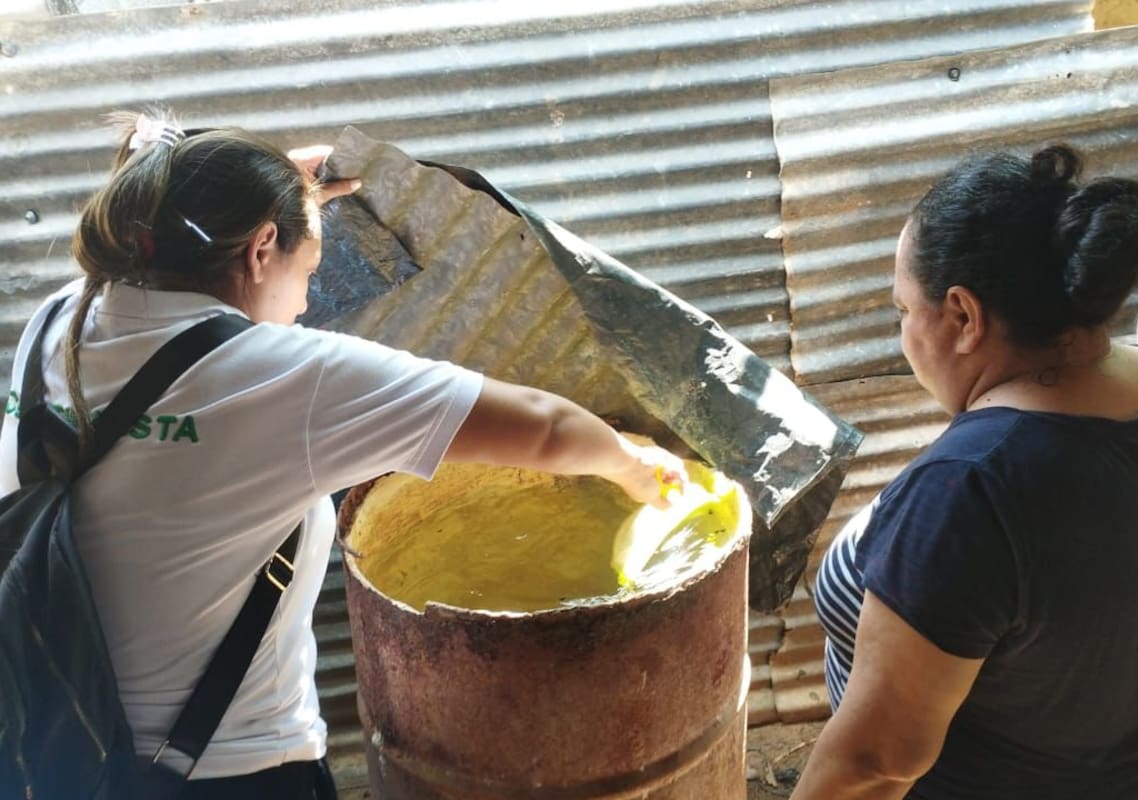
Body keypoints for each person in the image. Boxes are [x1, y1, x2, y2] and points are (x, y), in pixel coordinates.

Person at [0, 111, 686, 799]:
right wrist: (631, 463)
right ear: (261, 249)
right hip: (225, 776)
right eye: (311, 269)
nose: (303, 304)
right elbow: (546, 428)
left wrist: (274, 203)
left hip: (51, 743)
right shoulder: (281, 378)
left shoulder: (56, 322)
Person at [796, 144, 1138, 799]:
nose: (903, 331)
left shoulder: (972, 491)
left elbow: (876, 762)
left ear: (962, 315)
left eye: (904, 309)